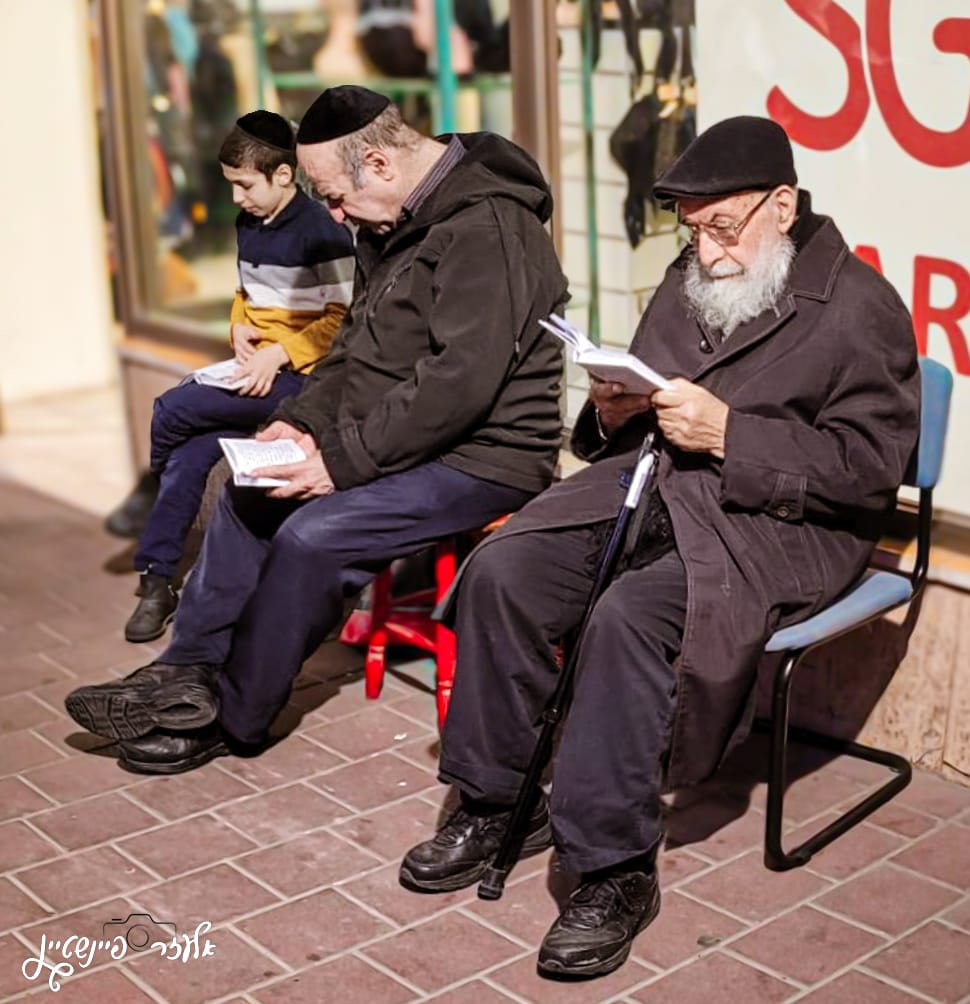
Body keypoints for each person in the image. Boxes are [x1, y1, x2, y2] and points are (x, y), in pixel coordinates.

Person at [397, 116, 921, 980]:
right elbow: (637, 395)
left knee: (630, 618)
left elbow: (868, 472)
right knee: (506, 568)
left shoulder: (861, 306)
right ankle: (498, 799)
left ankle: (613, 867)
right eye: (695, 230)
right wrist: (610, 409)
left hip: (781, 521)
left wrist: (731, 435)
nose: (708, 250)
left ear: (782, 205)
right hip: (657, 481)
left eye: (725, 226)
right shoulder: (692, 275)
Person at [65, 85, 568, 775]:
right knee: (245, 489)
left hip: (486, 454)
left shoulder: (488, 229)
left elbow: (459, 386)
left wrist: (340, 460)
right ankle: (183, 675)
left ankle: (233, 716)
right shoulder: (392, 221)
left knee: (313, 535)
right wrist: (297, 423)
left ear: (381, 165)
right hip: (405, 433)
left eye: (333, 195)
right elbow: (354, 349)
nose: (330, 213)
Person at [121, 110, 355, 644]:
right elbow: (247, 293)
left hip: (304, 383)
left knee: (170, 409)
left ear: (283, 176)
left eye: (244, 185)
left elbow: (346, 319)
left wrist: (281, 354)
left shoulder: (322, 234)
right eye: (231, 186)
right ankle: (158, 580)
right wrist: (239, 329)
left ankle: (146, 487)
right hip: (257, 372)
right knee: (188, 458)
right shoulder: (250, 222)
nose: (236, 199)